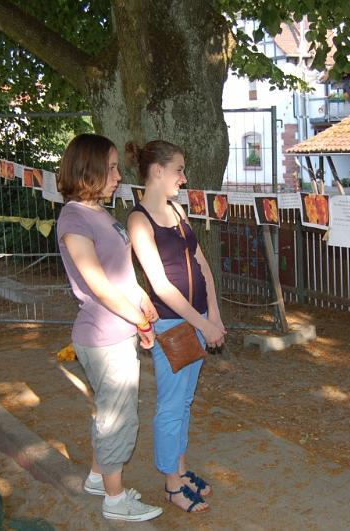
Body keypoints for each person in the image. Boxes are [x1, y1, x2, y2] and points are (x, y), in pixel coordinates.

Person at [56, 133, 162, 522]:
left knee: (111, 411)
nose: (119, 176)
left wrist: (141, 298)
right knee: (118, 416)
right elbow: (98, 284)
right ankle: (115, 501)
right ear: (89, 169)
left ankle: (99, 478)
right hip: (103, 336)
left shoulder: (98, 213)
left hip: (119, 329)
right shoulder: (74, 218)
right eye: (112, 168)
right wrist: (138, 318)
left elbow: (119, 272)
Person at [126, 140, 226, 514]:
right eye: (179, 170)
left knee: (185, 401)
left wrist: (214, 315)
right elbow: (161, 285)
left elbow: (202, 265)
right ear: (157, 171)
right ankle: (171, 485)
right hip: (172, 325)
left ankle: (181, 471)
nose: (183, 178)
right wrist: (203, 324)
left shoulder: (176, 210)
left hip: (199, 319)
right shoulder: (139, 221)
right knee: (170, 406)